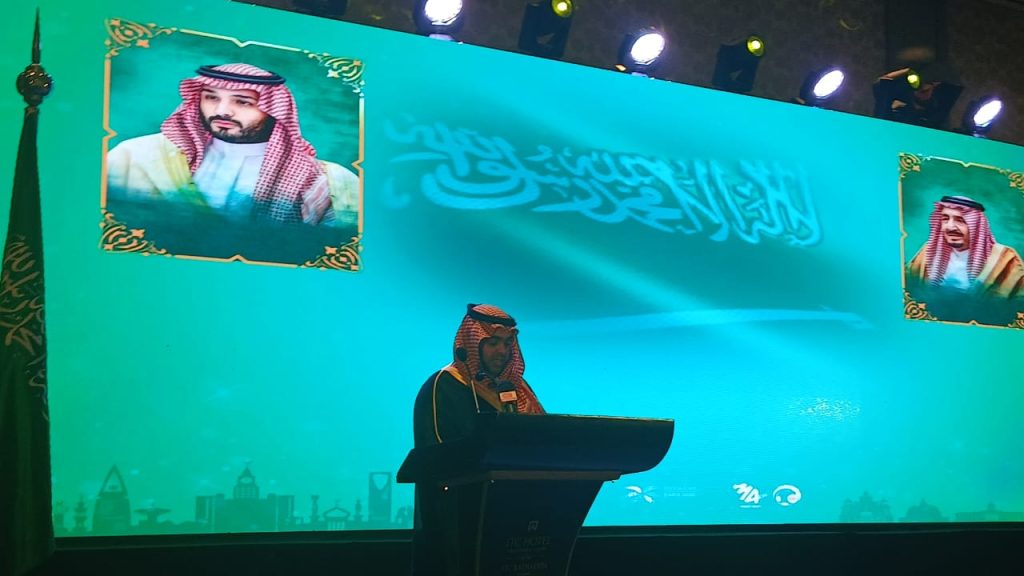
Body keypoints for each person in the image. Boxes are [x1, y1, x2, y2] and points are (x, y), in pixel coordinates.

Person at [107, 63, 358, 226]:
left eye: (243, 102)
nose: (222, 111)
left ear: (275, 110)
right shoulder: (135, 156)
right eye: (211, 98)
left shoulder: (330, 182)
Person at [410, 303, 544, 575]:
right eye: (493, 343)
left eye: (507, 343)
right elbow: (439, 458)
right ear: (472, 344)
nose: (502, 351)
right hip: (458, 522)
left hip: (516, 519)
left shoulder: (517, 390)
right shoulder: (445, 385)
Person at [907, 195, 1024, 299]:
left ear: (977, 226)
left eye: (960, 220)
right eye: (945, 219)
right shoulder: (928, 252)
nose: (950, 227)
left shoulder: (1004, 258)